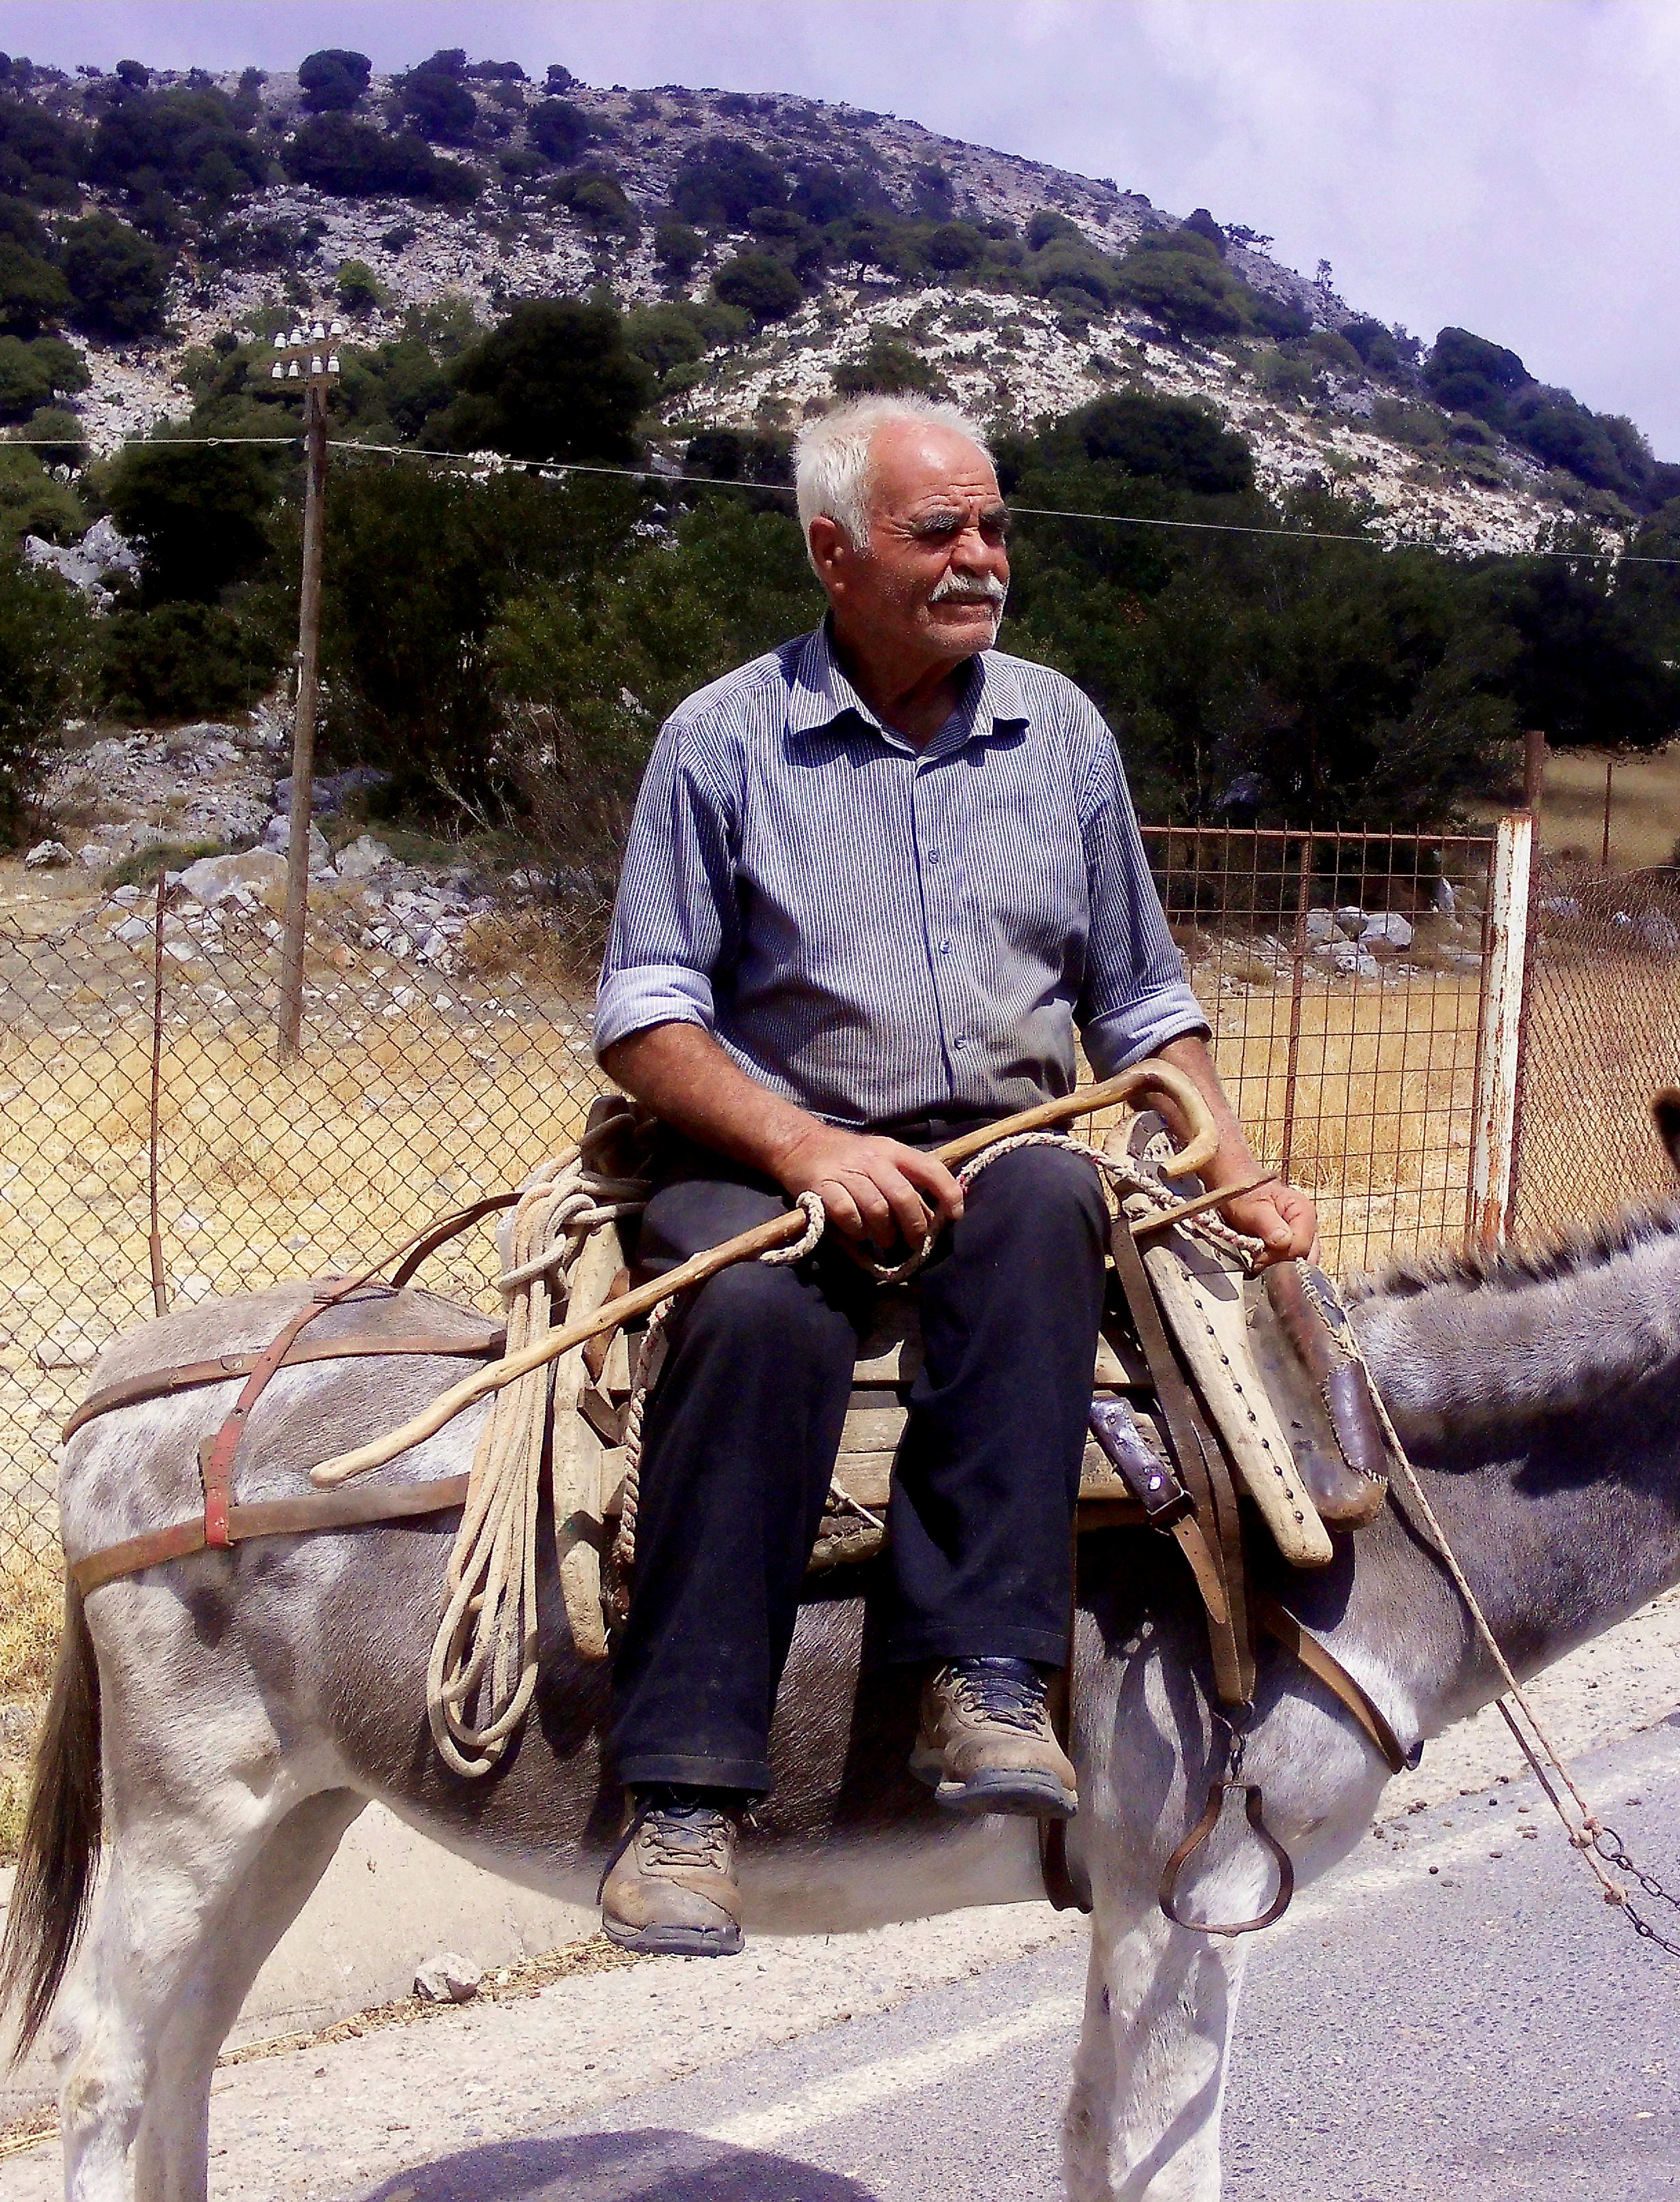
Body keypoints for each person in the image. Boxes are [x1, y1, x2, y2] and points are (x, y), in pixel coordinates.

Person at [589, 394, 1316, 1955]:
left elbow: (1139, 1003)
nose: (981, 559)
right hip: (766, 1155)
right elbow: (647, 1014)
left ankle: (982, 1682)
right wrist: (805, 1148)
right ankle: (685, 1804)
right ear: (832, 552)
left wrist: (1233, 1171)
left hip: (998, 1149)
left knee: (1054, 1204)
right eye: (940, 533)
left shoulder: (1059, 730)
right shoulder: (721, 741)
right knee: (761, 1324)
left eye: (992, 527)